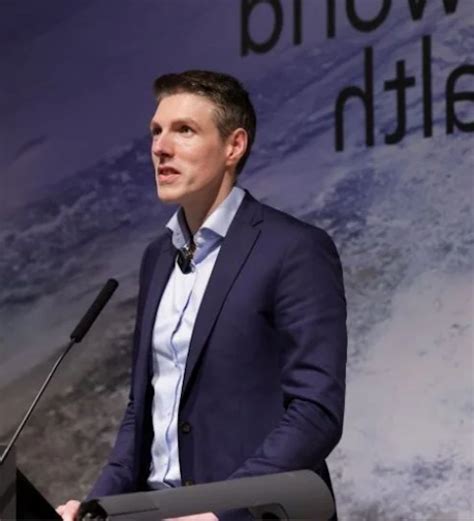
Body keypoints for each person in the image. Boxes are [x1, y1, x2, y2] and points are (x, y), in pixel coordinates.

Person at [57, 70, 347, 521]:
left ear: (234, 146)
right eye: (156, 131)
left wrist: (222, 511)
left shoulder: (293, 249)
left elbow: (315, 412)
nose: (160, 147)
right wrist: (94, 509)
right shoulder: (157, 257)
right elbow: (143, 410)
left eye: (184, 130)